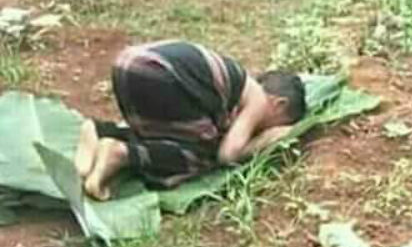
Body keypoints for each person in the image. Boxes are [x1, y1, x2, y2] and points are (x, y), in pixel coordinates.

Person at [74, 40, 306, 201]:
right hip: (160, 71)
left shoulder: (233, 92)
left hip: (128, 63)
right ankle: (120, 153)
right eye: (278, 123)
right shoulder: (257, 99)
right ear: (278, 104)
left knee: (163, 135)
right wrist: (264, 141)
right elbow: (227, 156)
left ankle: (99, 131)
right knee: (202, 154)